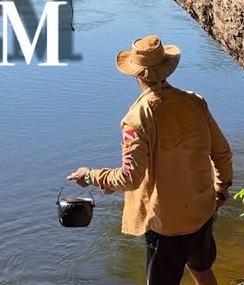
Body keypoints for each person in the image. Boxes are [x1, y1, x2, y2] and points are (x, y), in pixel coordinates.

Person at [67, 35, 233, 285]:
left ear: (136, 74)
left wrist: (91, 176)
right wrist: (221, 190)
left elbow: (129, 178)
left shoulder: (136, 119)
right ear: (166, 68)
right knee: (200, 268)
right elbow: (222, 153)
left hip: (166, 224)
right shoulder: (195, 102)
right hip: (202, 211)